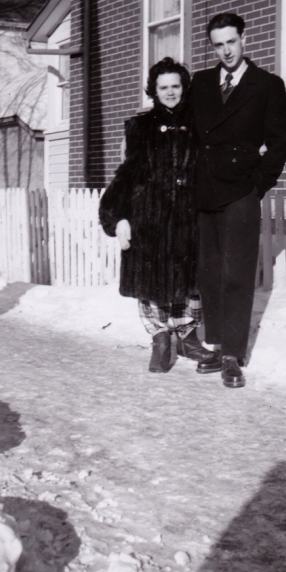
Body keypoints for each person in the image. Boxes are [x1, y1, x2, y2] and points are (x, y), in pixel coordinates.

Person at [191, 12, 286, 388]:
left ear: (244, 39)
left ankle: (233, 354)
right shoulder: (200, 83)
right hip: (206, 190)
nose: (226, 51)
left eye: (231, 42)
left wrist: (257, 186)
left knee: (236, 273)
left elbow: (279, 143)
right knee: (210, 272)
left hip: (240, 192)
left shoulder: (267, 85)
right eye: (218, 44)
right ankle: (215, 345)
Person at [99, 57, 206, 373]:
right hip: (148, 218)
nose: (170, 92)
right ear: (154, 91)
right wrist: (116, 217)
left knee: (190, 280)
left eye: (176, 86)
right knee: (151, 282)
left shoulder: (200, 125)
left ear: (183, 88)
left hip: (189, 217)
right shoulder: (140, 128)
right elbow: (126, 174)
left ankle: (188, 337)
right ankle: (160, 340)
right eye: (164, 87)